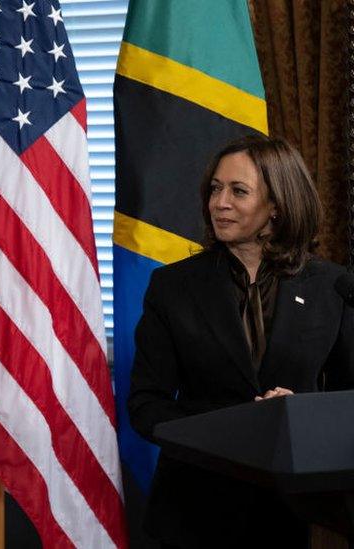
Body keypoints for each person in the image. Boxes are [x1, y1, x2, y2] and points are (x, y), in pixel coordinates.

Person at [127, 135, 354, 546]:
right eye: (215, 188)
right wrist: (231, 432)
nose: (220, 202)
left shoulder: (332, 288)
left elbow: (346, 402)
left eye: (238, 191)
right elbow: (146, 404)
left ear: (276, 207)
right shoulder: (172, 286)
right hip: (192, 513)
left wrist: (299, 412)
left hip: (287, 516)